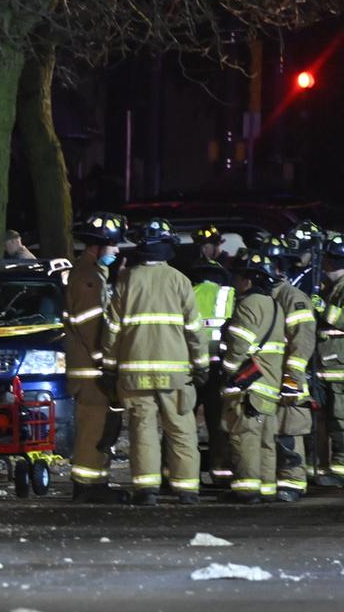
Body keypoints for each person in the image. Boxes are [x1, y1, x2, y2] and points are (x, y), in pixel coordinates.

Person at [101, 217, 208, 506]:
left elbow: (113, 331)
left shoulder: (126, 281)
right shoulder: (179, 281)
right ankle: (187, 490)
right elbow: (195, 330)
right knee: (181, 429)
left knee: (142, 430)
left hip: (134, 375)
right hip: (174, 375)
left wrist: (109, 368)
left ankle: (146, 490)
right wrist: (201, 365)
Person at [65, 212, 129, 503]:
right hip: (90, 371)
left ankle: (95, 483)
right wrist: (104, 360)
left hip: (90, 368)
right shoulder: (88, 278)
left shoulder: (93, 274)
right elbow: (91, 325)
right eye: (113, 246)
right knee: (93, 427)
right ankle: (87, 487)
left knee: (101, 426)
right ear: (98, 246)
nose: (116, 251)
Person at [218, 251, 286, 503]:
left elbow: (239, 345)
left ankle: (246, 490)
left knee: (245, 438)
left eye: (239, 276)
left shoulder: (248, 305)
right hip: (270, 385)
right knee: (266, 441)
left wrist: (228, 370)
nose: (236, 281)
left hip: (249, 386)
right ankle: (266, 489)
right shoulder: (275, 306)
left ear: (249, 279)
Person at [263, 236, 317, 501]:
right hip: (265, 376)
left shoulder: (292, 298)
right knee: (268, 430)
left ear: (279, 268)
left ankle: (293, 482)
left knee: (289, 429)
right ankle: (271, 480)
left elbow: (302, 341)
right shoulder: (263, 295)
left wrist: (292, 379)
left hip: (286, 377)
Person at [188, 255, 236, 485]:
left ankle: (179, 474)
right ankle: (222, 474)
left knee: (183, 423)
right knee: (219, 425)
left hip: (191, 369)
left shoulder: (187, 294)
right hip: (220, 369)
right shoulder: (229, 295)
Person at [314, 231, 344, 485]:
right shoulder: (330, 287)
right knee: (329, 418)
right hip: (328, 364)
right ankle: (328, 468)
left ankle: (341, 469)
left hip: (340, 365)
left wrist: (324, 309)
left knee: (341, 419)